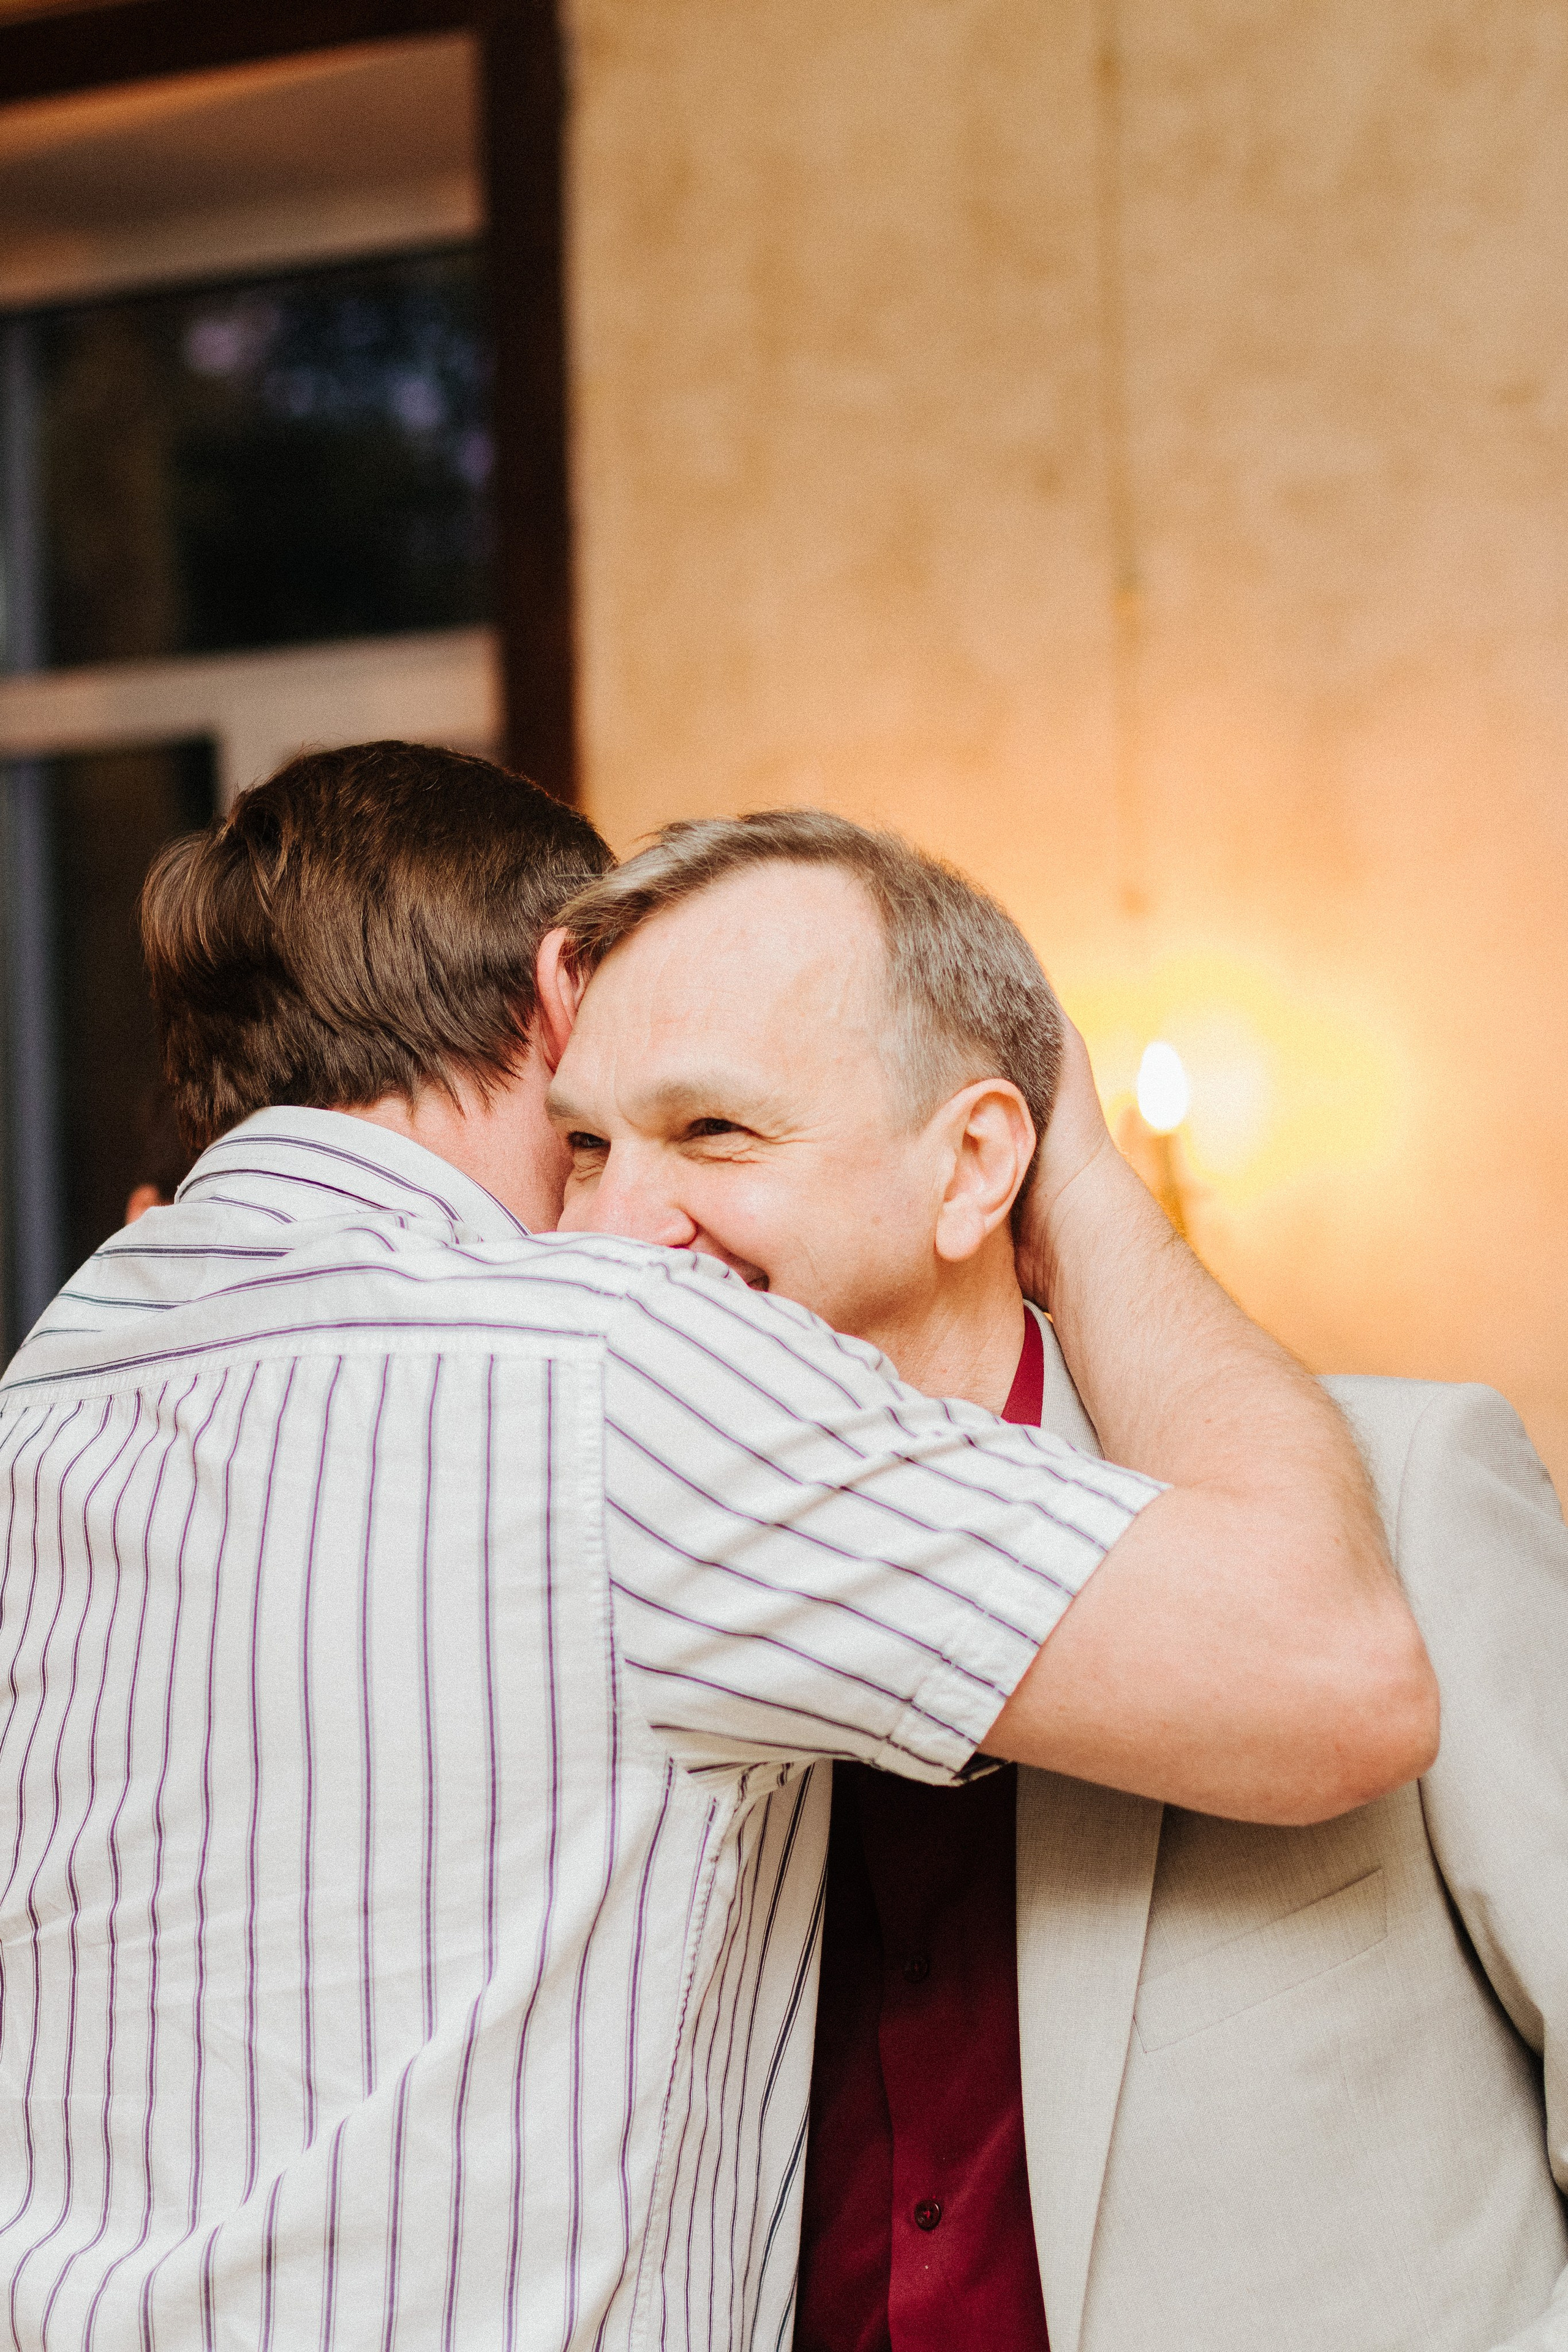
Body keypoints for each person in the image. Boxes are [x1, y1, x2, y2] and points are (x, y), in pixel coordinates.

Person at [0, 744, 1432, 2350]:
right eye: (602, 1131)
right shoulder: (603, 1363)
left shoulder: (41, 1410)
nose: (634, 1214)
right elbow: (1327, 1670)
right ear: (568, 986)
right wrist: (1081, 1181)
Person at [549, 807, 1568, 2352]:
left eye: (712, 1132)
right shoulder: (613, 1591)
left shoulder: (1404, 1493)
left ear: (973, 1166)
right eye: (582, 1148)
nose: (612, 1231)